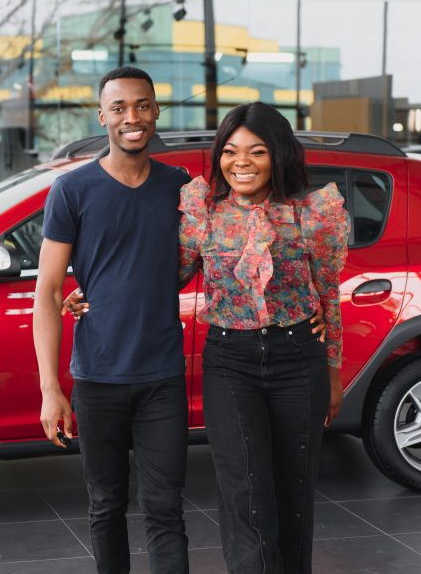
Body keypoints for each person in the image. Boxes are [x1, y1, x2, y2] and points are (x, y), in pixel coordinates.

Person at [178, 102, 350, 574]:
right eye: (231, 152)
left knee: (295, 492)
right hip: (229, 361)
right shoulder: (204, 213)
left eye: (256, 151)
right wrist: (96, 289)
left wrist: (333, 373)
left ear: (278, 155)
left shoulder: (312, 214)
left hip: (300, 358)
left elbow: (329, 296)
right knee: (245, 490)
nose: (242, 162)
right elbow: (164, 276)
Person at [33, 66, 192, 574]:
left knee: (167, 509)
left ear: (156, 112)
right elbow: (49, 292)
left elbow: (216, 256)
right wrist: (50, 389)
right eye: (119, 107)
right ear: (102, 116)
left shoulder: (180, 187)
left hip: (162, 375)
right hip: (97, 377)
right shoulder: (72, 190)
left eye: (142, 105)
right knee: (107, 507)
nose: (132, 117)